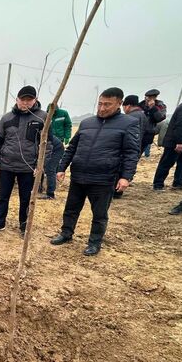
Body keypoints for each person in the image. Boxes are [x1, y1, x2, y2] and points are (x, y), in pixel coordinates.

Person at [51, 87, 139, 256]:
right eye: (100, 104)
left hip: (103, 178)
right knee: (71, 208)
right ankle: (66, 233)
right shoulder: (87, 123)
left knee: (99, 213)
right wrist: (62, 167)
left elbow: (131, 153)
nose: (102, 108)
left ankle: (94, 242)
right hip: (79, 175)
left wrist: (126, 177)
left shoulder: (128, 124)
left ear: (119, 104)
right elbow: (72, 147)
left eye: (107, 104)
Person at [0, 85, 49, 236]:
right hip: (6, 165)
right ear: (17, 100)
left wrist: (40, 166)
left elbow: (47, 145)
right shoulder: (7, 118)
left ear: (35, 100)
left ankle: (24, 225)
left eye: (29, 100)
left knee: (26, 198)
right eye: (23, 100)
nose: (25, 103)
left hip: (28, 167)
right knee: (3, 197)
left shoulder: (42, 117)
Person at [114, 95, 147, 199]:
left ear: (127, 106)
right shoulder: (143, 115)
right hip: (137, 145)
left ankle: (116, 191)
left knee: (121, 168)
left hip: (128, 146)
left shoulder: (131, 118)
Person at [39, 102, 72, 199]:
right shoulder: (45, 118)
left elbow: (68, 125)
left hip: (57, 148)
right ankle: (39, 188)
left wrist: (67, 137)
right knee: (40, 166)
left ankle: (50, 194)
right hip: (50, 145)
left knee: (50, 169)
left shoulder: (63, 113)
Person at [138, 89, 166, 158]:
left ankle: (147, 155)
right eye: (147, 97)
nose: (148, 99)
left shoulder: (160, 106)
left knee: (138, 154)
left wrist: (153, 108)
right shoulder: (140, 105)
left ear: (155, 98)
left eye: (151, 98)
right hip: (137, 133)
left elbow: (160, 118)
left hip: (148, 134)